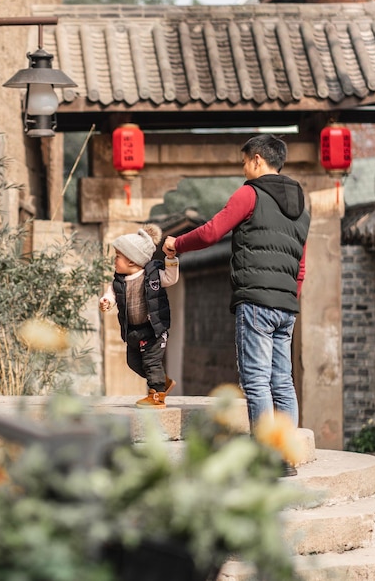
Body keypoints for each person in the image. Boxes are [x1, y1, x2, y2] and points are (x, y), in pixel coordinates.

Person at [163, 134, 310, 470]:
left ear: (258, 160)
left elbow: (213, 231)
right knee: (283, 381)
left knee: (256, 379)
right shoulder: (302, 207)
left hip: (256, 299)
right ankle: (286, 453)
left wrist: (176, 244)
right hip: (286, 304)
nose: (243, 168)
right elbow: (301, 263)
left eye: (244, 161)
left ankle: (266, 458)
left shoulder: (250, 193)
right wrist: (289, 297)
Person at [100, 223, 179, 409]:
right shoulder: (119, 282)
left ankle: (157, 396)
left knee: (151, 362)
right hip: (133, 331)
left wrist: (171, 259)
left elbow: (171, 278)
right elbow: (111, 294)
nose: (114, 260)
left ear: (132, 260)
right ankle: (163, 382)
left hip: (153, 329)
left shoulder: (152, 276)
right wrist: (106, 301)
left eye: (118, 257)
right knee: (134, 362)